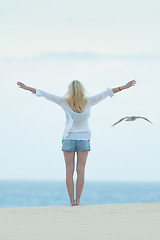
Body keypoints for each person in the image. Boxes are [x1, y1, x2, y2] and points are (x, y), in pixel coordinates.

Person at [17, 79, 136, 206]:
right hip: (84, 139)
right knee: (81, 170)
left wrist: (26, 87)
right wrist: (125, 86)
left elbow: (44, 93)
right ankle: (78, 201)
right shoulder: (89, 101)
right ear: (82, 90)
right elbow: (108, 93)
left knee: (69, 171)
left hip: (68, 138)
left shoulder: (63, 101)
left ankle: (71, 201)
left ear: (70, 91)